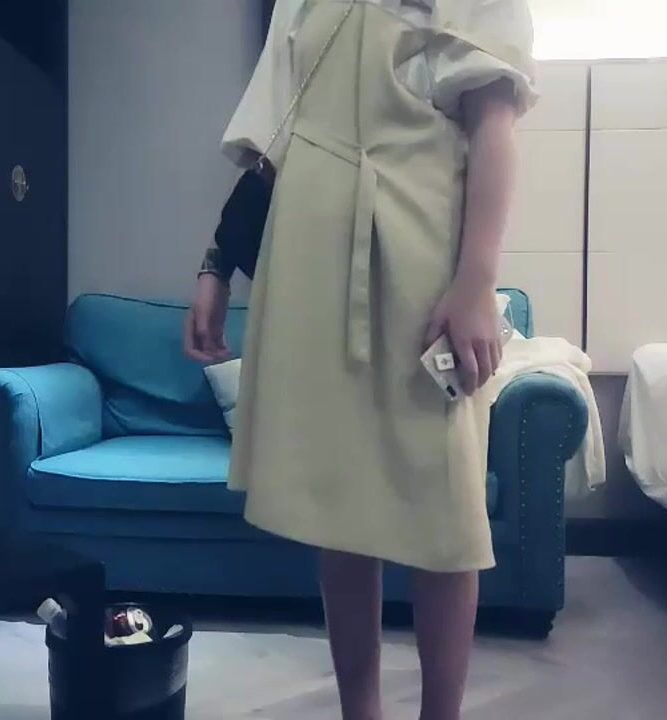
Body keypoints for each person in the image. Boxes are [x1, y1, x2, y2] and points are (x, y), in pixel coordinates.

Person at [185, 1, 537, 718]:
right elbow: (276, 139)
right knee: (340, 509)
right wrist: (218, 264)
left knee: (444, 507)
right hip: (311, 259)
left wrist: (476, 282)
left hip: (422, 264)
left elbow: (494, 123)